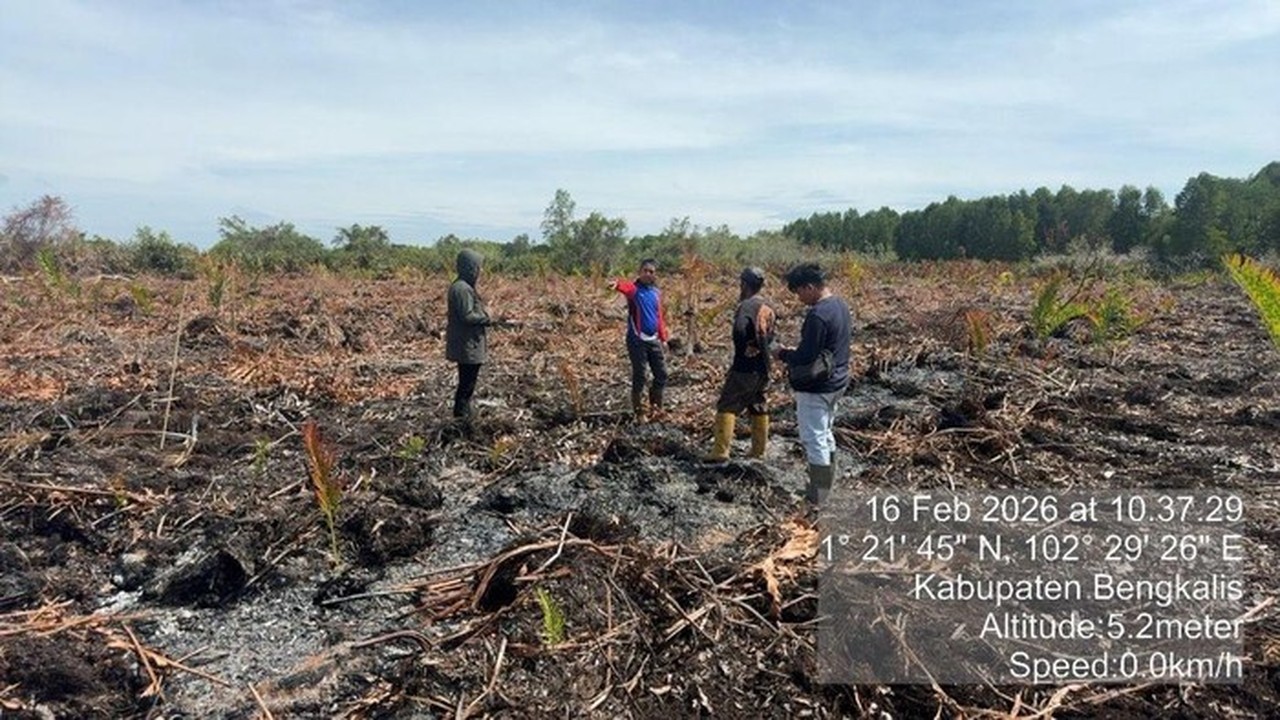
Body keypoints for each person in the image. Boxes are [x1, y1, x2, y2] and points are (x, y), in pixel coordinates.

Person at [773, 263, 852, 504]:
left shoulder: (818, 315)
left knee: (813, 437)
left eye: (799, 292)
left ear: (810, 287)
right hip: (838, 380)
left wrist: (783, 354)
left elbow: (806, 356)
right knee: (826, 431)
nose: (798, 298)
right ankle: (827, 485)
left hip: (817, 386)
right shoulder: (840, 305)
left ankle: (819, 495)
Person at [704, 267, 776, 461]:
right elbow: (771, 335)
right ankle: (758, 451)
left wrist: (748, 346)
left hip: (744, 367)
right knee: (758, 404)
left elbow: (739, 330)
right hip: (763, 367)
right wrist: (761, 347)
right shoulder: (767, 306)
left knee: (727, 405)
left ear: (744, 284)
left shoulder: (746, 306)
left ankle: (720, 452)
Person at [610, 258, 669, 421]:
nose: (648, 274)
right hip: (637, 340)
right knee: (640, 375)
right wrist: (617, 284)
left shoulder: (656, 293)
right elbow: (625, 286)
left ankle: (656, 409)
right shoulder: (634, 290)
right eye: (645, 271)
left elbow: (659, 317)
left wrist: (663, 338)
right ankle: (639, 413)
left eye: (652, 272)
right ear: (640, 272)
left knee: (662, 374)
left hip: (654, 340)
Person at [446, 249, 491, 424]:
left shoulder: (463, 287)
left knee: (467, 385)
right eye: (478, 267)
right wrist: (487, 318)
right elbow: (467, 316)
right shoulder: (462, 289)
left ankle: (465, 416)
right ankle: (461, 420)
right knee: (466, 385)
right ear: (470, 268)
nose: (480, 271)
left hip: (468, 344)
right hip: (467, 345)